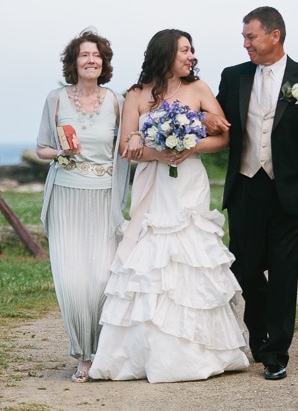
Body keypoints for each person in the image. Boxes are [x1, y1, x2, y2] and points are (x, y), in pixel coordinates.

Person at [88, 29, 249, 383]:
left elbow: (224, 137)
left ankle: (199, 352)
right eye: (184, 51)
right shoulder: (136, 94)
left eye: (192, 51)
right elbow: (126, 148)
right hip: (153, 182)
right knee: (150, 256)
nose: (191, 56)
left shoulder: (199, 89)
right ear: (165, 54)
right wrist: (159, 152)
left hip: (188, 182)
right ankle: (142, 353)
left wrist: (190, 148)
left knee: (189, 254)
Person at [205, 6, 298, 381]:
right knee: (244, 267)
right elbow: (214, 116)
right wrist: (199, 121)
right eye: (244, 37)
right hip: (246, 187)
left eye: (251, 36)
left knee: (283, 272)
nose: (245, 43)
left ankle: (275, 352)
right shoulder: (234, 76)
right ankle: (258, 333)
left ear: (274, 36)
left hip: (290, 191)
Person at [35, 29, 130, 383]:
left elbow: (124, 152)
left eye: (97, 55)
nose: (91, 60)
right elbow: (41, 147)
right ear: (73, 62)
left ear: (103, 63)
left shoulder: (117, 101)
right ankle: (83, 356)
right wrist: (62, 152)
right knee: (72, 279)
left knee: (101, 277)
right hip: (66, 195)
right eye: (84, 55)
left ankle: (103, 351)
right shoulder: (55, 98)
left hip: (103, 195)